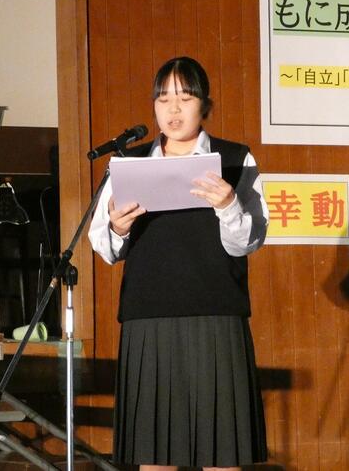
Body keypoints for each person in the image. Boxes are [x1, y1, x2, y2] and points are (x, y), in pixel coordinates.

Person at [88, 56, 269, 470]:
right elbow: (105, 247)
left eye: (185, 98)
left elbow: (248, 242)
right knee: (155, 452)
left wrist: (228, 204)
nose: (173, 109)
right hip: (148, 317)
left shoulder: (235, 158)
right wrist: (117, 228)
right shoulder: (129, 164)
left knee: (222, 450)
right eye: (163, 98)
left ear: (205, 105)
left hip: (216, 314)